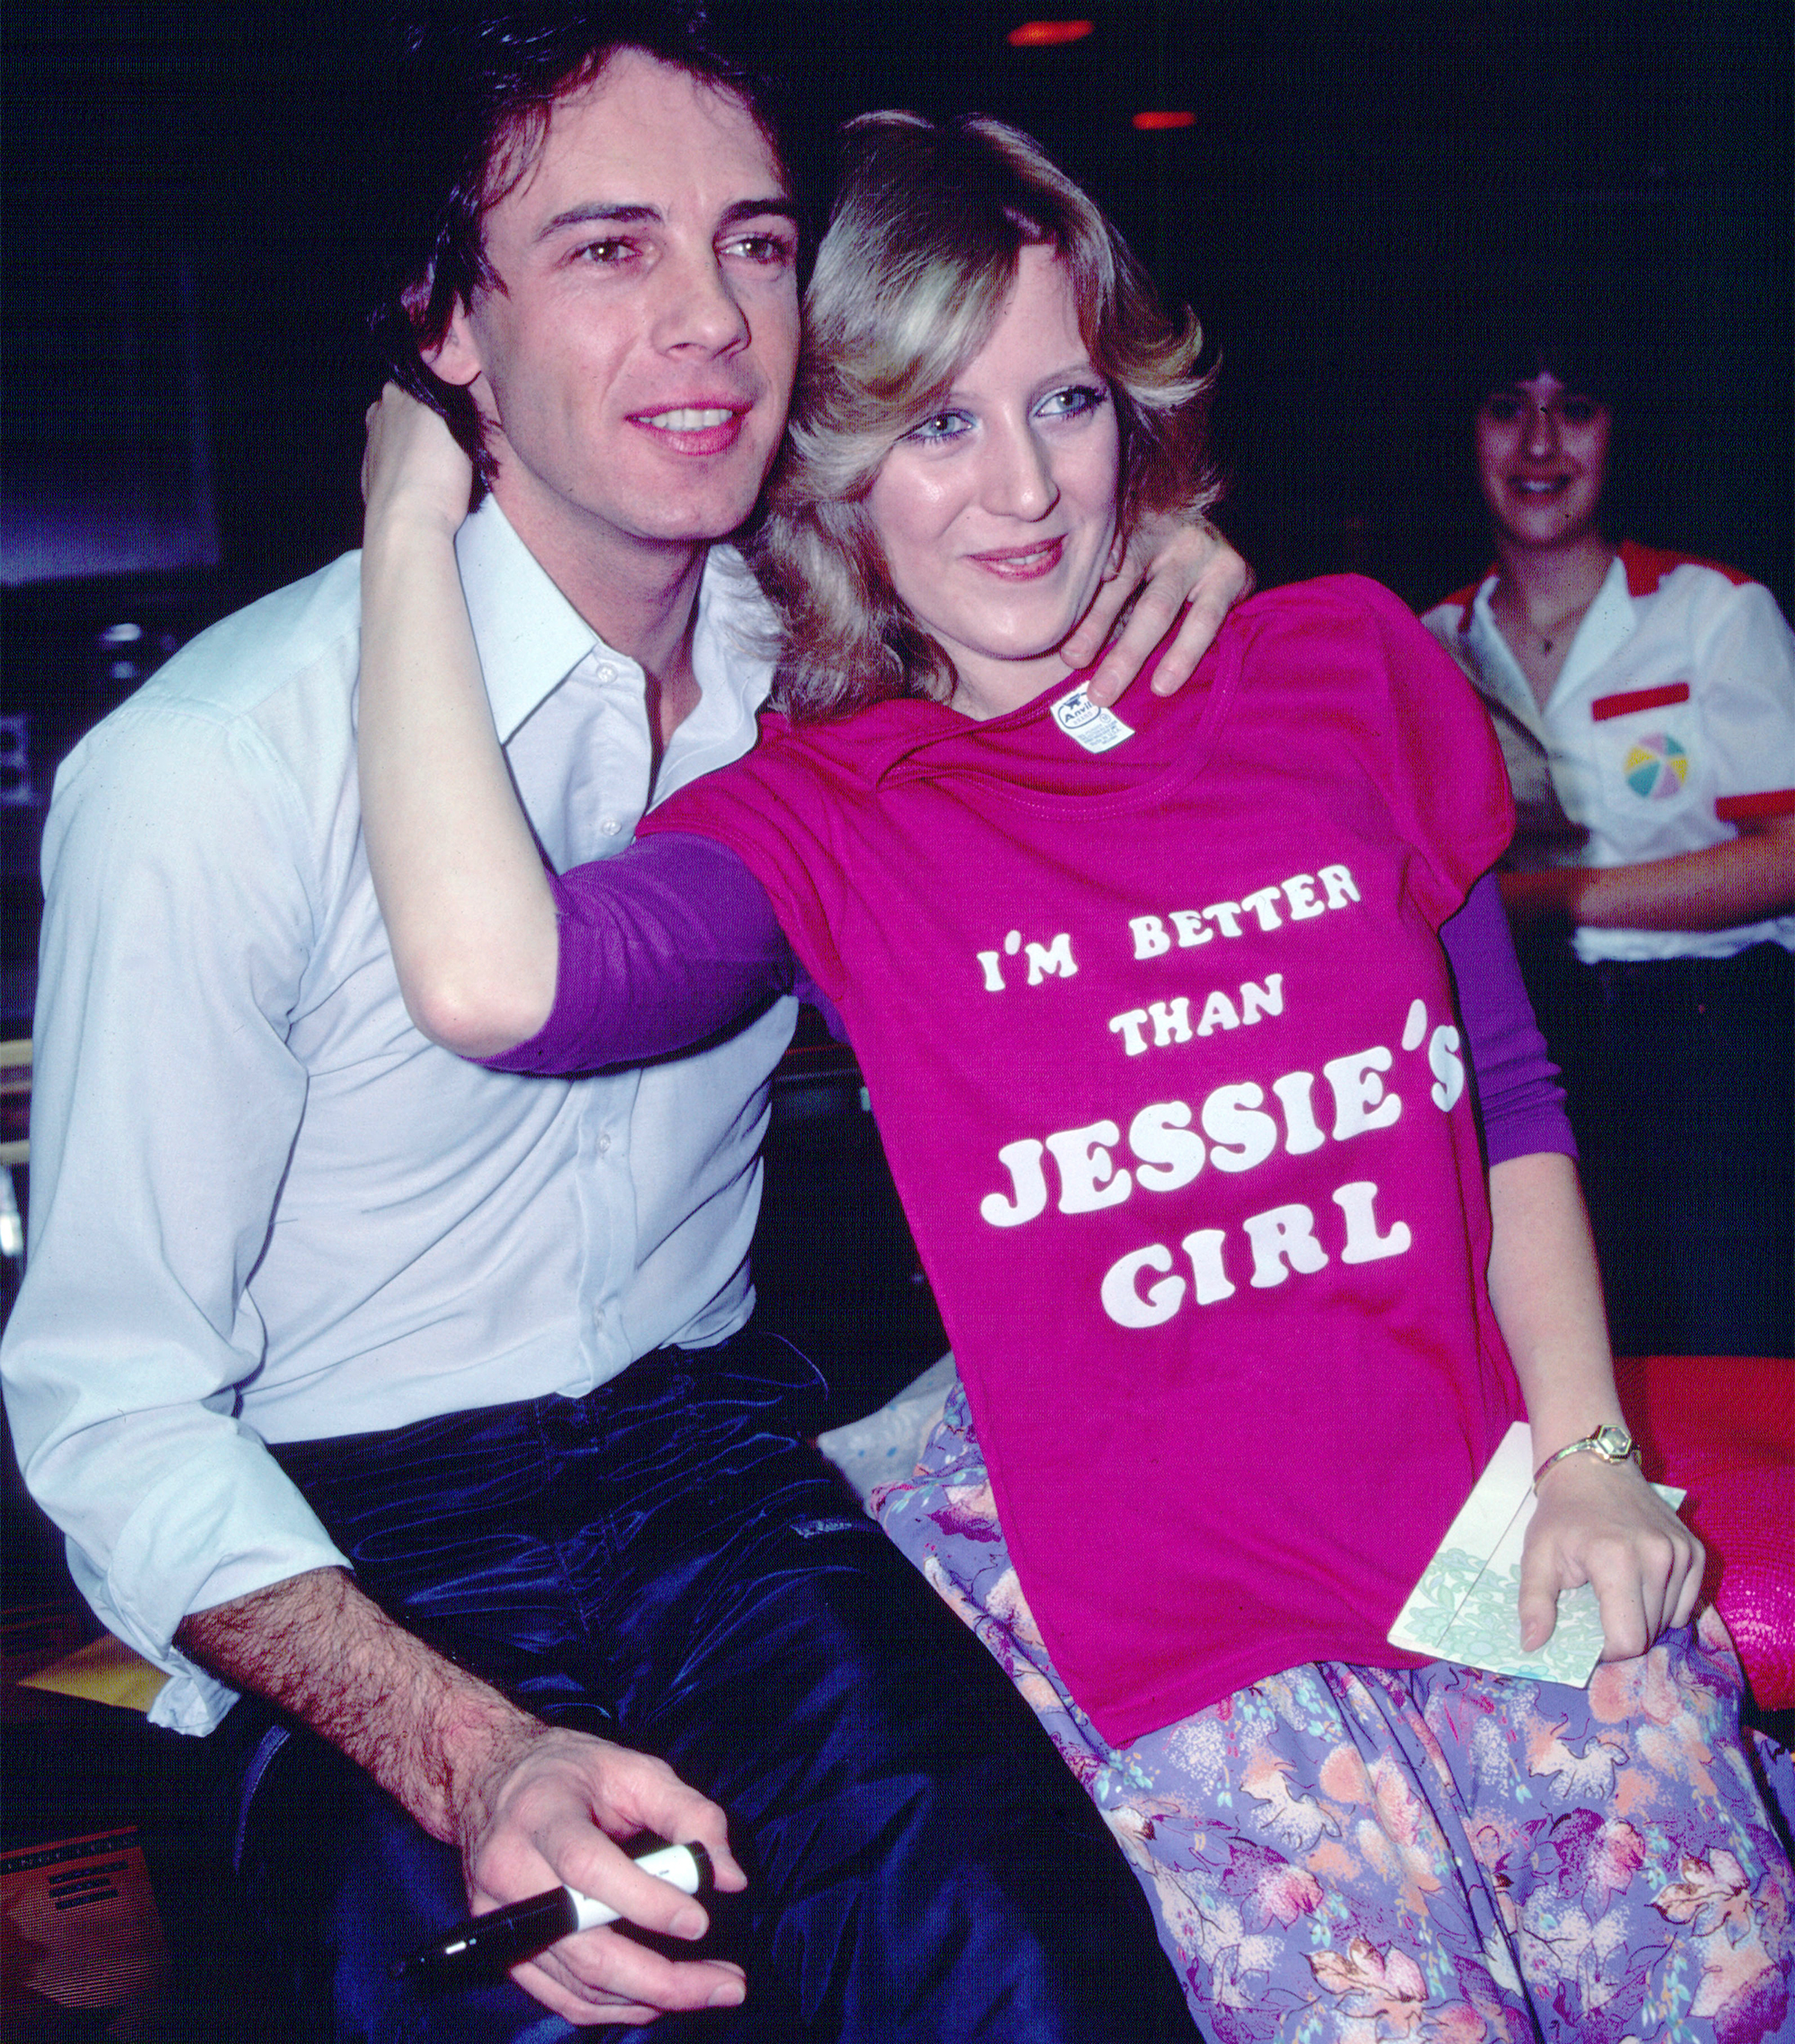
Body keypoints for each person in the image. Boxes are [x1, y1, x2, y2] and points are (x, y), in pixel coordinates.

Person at [356, 113, 1794, 2042]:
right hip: (1184, 1638)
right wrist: (400, 526)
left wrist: (1586, 1454)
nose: (1022, 488)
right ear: (832, 463)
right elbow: (484, 975)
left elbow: (1502, 1098)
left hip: (1491, 1538)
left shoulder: (1343, 669)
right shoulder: (826, 812)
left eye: (1063, 402)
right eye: (934, 424)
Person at [0, 11, 1254, 2040]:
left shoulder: (840, 667)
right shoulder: (212, 773)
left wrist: (1161, 554)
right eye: (604, 252)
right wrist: (464, 1748)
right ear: (448, 331)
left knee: (1044, 1982)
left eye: (752, 246)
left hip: (712, 1471)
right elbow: (110, 1407)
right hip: (350, 1534)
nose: (709, 324)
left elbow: (1058, 561)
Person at [1421, 329, 1795, 1358]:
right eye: (1506, 406)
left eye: (1573, 407)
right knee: (1563, 1351)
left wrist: (1550, 898)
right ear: (1466, 435)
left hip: (1712, 1035)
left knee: (1729, 1344)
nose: (1538, 442)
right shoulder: (1422, 646)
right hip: (1518, 1040)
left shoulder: (1711, 613)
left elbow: (1788, 852)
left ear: (1618, 433)